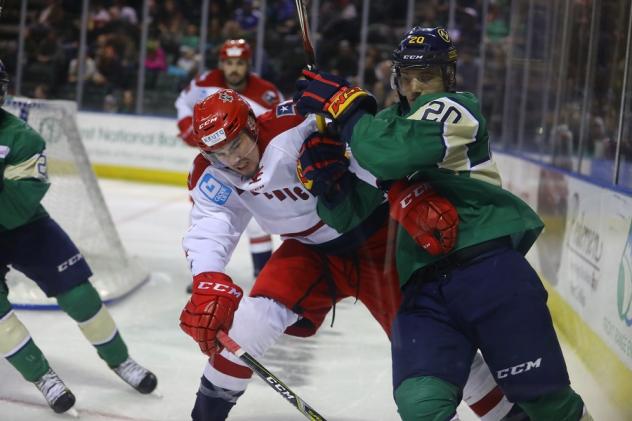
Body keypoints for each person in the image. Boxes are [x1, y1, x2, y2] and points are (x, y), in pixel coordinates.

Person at [293, 27, 593, 420]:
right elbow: (347, 213)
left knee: (546, 401)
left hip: (489, 272)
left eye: (426, 76)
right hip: (424, 290)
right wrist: (329, 182)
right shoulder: (384, 125)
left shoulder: (456, 107)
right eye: (406, 77)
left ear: (448, 78)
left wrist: (347, 108)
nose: (414, 87)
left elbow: (393, 152)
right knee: (421, 405)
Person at [178, 88, 526, 421]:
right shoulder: (212, 172)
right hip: (309, 251)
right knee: (250, 324)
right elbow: (212, 223)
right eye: (218, 152)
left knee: (430, 342)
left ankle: (509, 416)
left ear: (252, 125)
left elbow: (369, 147)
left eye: (236, 143)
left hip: (378, 242)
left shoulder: (296, 126)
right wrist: (208, 277)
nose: (232, 159)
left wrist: (403, 189)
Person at [0, 59, 157, 415]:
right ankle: (44, 378)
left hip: (25, 226)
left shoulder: (23, 138)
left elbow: (15, 207)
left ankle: (121, 361)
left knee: (80, 295)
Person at [175, 39, 284, 282]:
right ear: (221, 64)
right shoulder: (204, 82)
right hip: (218, 165)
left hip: (254, 164)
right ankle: (203, 273)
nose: (234, 69)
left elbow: (277, 126)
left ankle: (263, 276)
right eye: (229, 63)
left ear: (248, 64)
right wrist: (186, 127)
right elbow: (183, 102)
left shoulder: (267, 92)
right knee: (205, 217)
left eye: (239, 63)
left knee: (258, 222)